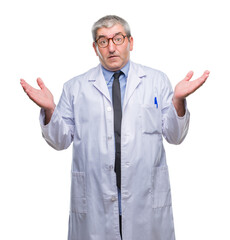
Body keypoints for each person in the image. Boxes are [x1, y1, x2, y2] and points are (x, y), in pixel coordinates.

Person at [20, 15, 210, 240]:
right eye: (103, 41)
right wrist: (50, 109)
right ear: (95, 47)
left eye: (118, 39)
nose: (111, 47)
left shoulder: (156, 81)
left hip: (145, 196)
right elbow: (60, 141)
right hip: (95, 198)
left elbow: (175, 136)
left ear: (130, 42)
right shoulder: (75, 88)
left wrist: (178, 101)